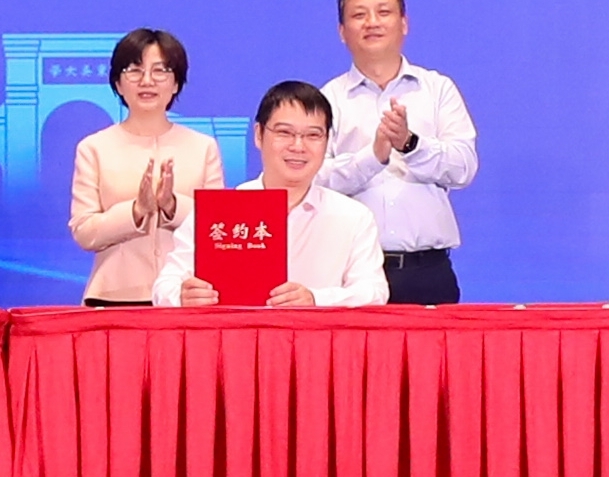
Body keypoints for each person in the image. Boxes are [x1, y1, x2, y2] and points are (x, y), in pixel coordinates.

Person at [154, 80, 388, 307]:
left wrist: (316, 299)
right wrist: (182, 296)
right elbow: (164, 286)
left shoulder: (353, 217)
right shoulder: (220, 211)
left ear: (327, 141)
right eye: (284, 132)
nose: (298, 146)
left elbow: (374, 291)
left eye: (313, 135)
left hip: (317, 333)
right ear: (259, 134)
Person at [320, 0, 478, 305]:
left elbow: (463, 168)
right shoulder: (327, 100)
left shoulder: (437, 89)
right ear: (342, 32)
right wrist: (372, 158)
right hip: (352, 273)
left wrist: (410, 145)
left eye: (383, 12)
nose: (372, 23)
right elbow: (315, 179)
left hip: (428, 271)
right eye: (359, 15)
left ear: (404, 24)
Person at [66, 28, 226, 306]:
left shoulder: (203, 147)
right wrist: (136, 211)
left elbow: (217, 228)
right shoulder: (94, 148)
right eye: (134, 70)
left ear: (176, 83)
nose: (147, 81)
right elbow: (84, 231)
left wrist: (172, 206)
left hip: (185, 296)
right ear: (118, 84)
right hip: (112, 296)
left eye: (160, 70)